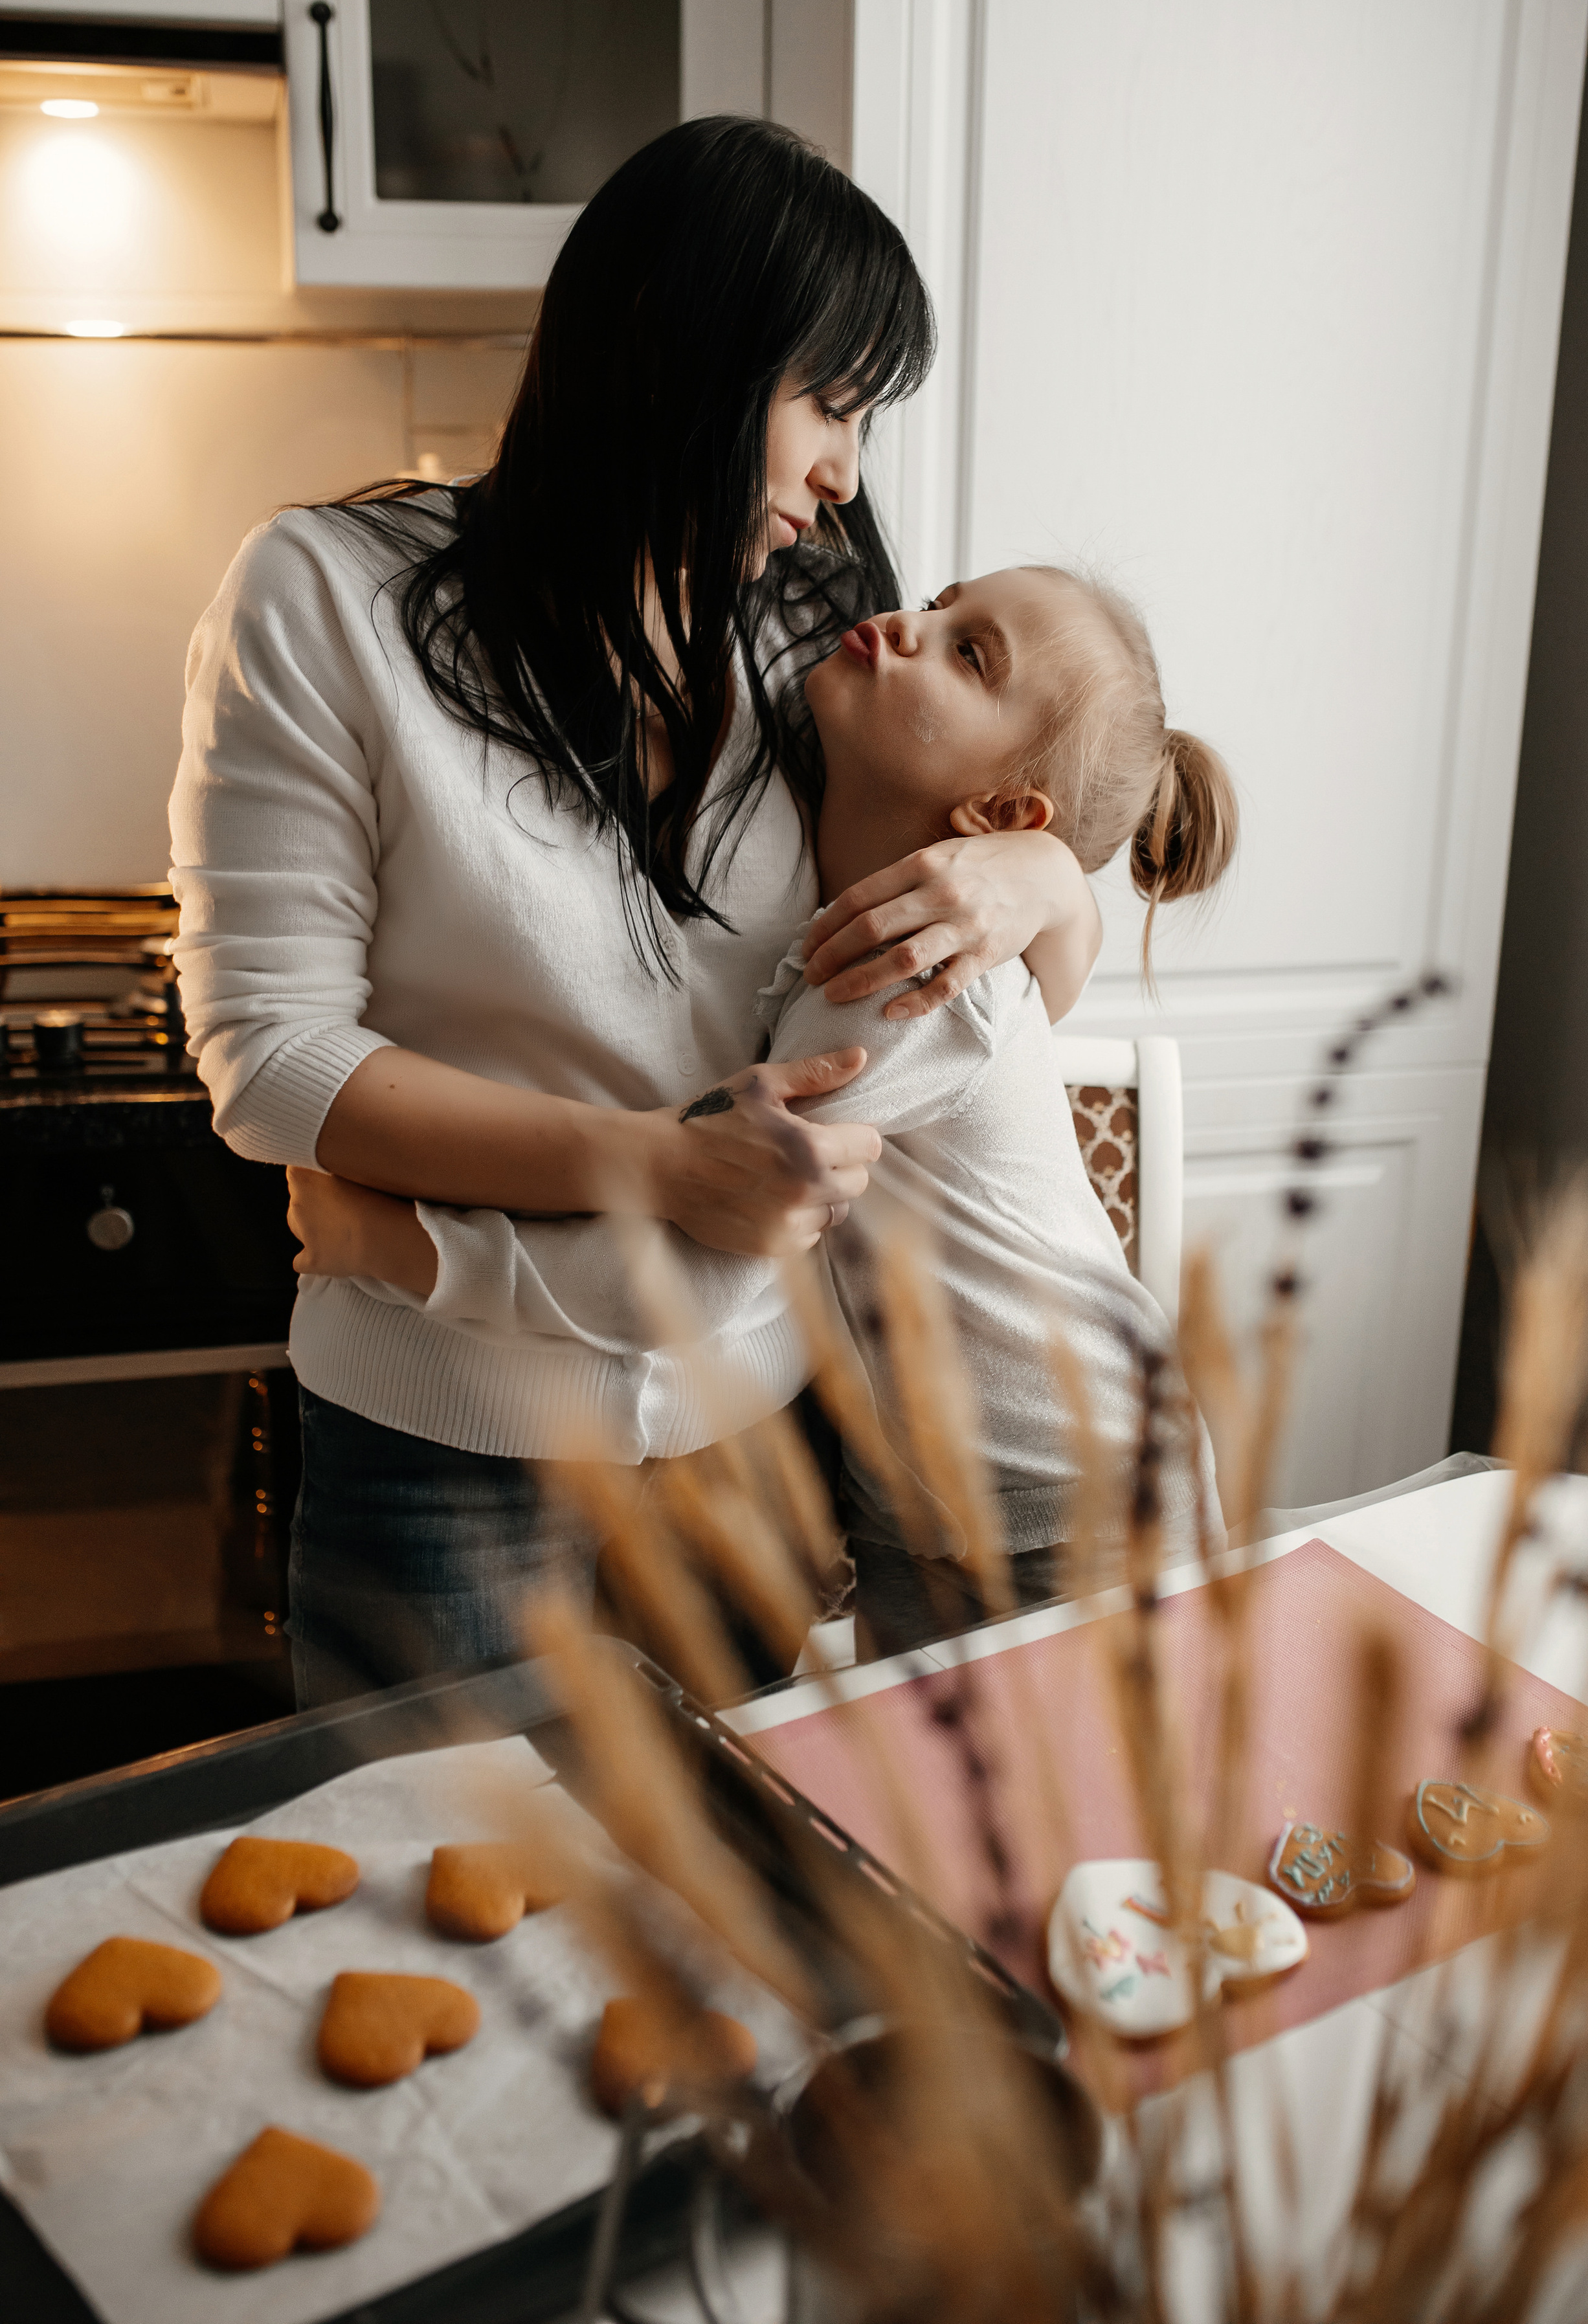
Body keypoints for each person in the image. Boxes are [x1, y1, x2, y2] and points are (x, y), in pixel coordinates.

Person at [168, 118, 1104, 1705]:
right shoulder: (323, 598)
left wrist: (1046, 875)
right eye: (828, 402)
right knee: (437, 1910)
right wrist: (662, 1169)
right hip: (440, 1452)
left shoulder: (809, 632)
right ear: (682, 348)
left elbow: (995, 977)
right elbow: (271, 1064)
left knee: (715, 1917)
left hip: (749, 1445)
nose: (843, 474)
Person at [289, 563, 1238, 1659]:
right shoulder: (866, 926)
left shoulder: (907, 986)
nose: (899, 626)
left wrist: (405, 1247)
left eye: (969, 654)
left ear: (1003, 814)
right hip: (940, 1516)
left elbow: (693, 1287)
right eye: (941, 605)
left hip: (1068, 1516)